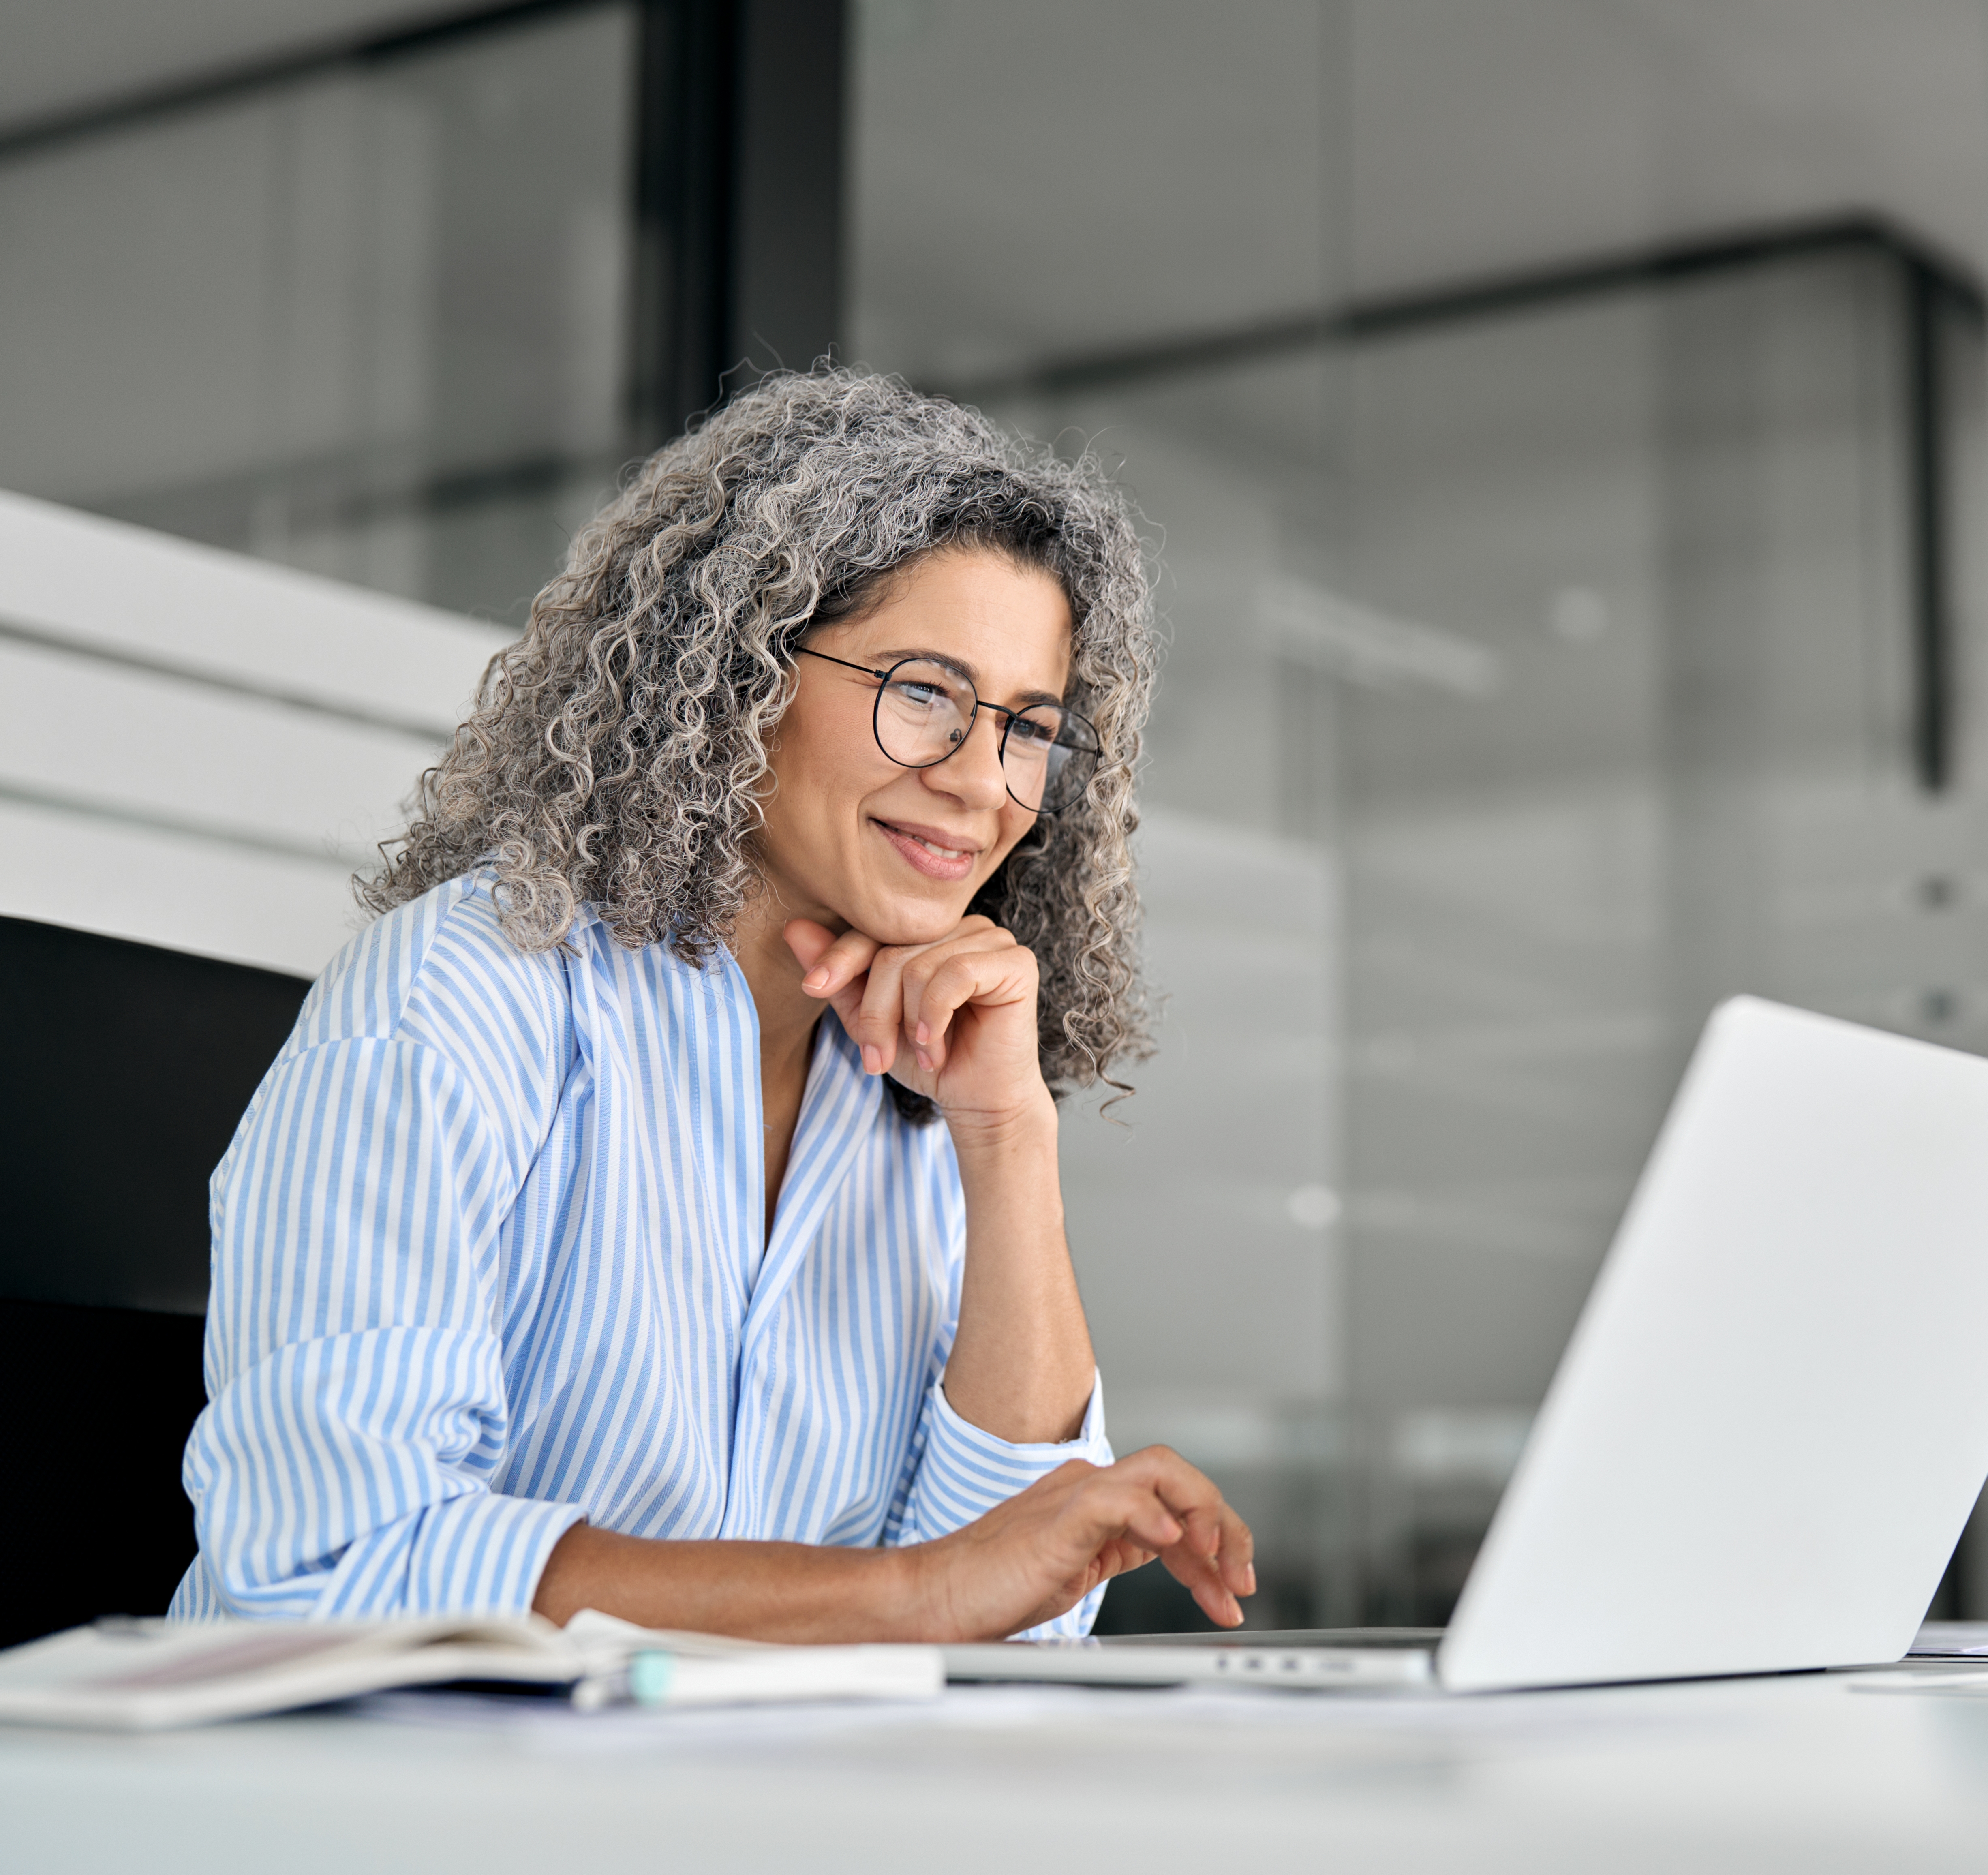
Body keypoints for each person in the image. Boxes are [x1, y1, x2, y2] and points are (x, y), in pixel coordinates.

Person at [171, 371, 1254, 1642]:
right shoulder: (460, 997)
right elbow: (325, 1564)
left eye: (1028, 726)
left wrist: (1008, 1138)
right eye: (923, 692)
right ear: (740, 672)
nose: (981, 781)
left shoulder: (918, 1074)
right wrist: (912, 1595)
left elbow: (1019, 1621)